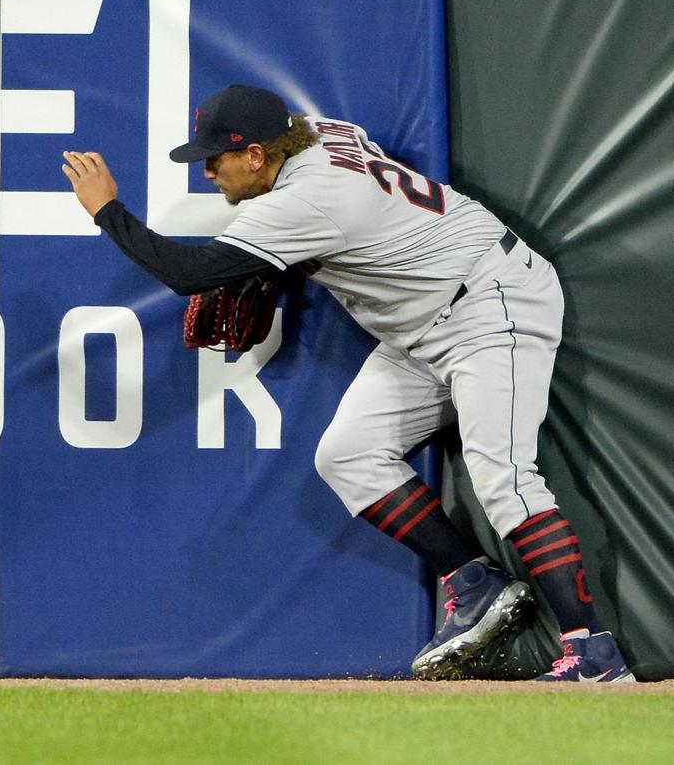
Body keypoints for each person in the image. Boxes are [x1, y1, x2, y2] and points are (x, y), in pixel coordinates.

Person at [62, 83, 633, 683]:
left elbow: (187, 274)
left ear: (258, 156)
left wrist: (108, 210)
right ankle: (475, 582)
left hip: (493, 304)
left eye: (216, 158)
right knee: (349, 456)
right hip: (424, 322)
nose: (207, 171)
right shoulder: (314, 130)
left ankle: (591, 653)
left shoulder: (303, 202)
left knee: (503, 478)